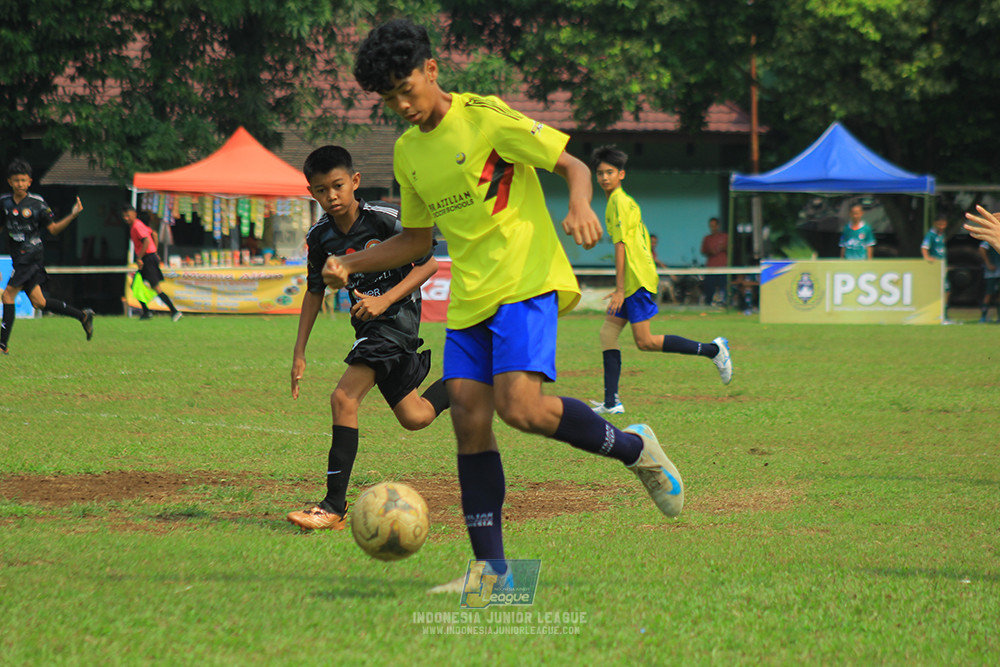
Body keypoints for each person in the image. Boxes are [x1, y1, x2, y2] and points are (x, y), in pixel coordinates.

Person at [331, 18, 685, 592]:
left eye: (406, 89)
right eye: (388, 98)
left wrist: (579, 205)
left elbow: (571, 165)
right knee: (469, 422)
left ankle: (634, 448)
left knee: (521, 409)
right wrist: (353, 263)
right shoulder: (408, 153)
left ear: (431, 70)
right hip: (470, 298)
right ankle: (493, 576)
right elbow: (416, 242)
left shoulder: (485, 117)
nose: (402, 105)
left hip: (525, 279)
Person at [287, 145, 450, 531]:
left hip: (397, 322)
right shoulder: (320, 236)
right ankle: (474, 379)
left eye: (338, 185)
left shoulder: (384, 219)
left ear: (355, 181)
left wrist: (385, 300)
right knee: (415, 416)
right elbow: (315, 291)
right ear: (311, 192)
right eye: (322, 190)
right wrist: (299, 352)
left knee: (343, 399)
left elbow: (429, 261)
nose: (332, 196)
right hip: (370, 328)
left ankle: (332, 506)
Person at [589, 145, 732, 415]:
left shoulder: (619, 202)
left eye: (610, 172)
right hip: (634, 277)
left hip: (636, 279)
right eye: (600, 173)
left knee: (646, 342)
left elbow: (621, 246)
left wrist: (620, 289)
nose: (604, 177)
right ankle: (611, 401)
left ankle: (713, 350)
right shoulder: (618, 201)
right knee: (607, 334)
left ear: (621, 174)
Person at [0, 159, 93, 354]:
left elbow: (53, 229)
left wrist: (72, 215)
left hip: (31, 256)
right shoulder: (4, 203)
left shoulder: (37, 203)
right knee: (39, 302)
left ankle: (2, 346)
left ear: (29, 182)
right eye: (16, 180)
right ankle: (83, 316)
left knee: (7, 295)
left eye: (23, 180)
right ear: (9, 181)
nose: (19, 184)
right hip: (18, 258)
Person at [123, 205, 182, 321]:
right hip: (148, 257)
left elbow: (146, 240)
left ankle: (174, 311)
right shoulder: (138, 225)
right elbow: (154, 234)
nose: (126, 218)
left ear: (134, 214)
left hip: (147, 259)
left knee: (156, 287)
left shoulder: (137, 226)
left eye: (128, 215)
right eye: (124, 216)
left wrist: (140, 258)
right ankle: (146, 311)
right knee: (134, 285)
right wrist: (155, 251)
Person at [920, 216, 952, 323]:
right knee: (940, 290)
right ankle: (937, 315)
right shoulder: (930, 235)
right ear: (935, 223)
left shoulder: (941, 235)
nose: (942, 226)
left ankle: (944, 314)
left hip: (942, 266)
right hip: (935, 268)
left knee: (947, 290)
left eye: (944, 224)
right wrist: (927, 258)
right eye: (940, 224)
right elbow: (924, 248)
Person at [700, 216, 728, 305]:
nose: (713, 228)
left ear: (718, 226)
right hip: (711, 267)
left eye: (714, 225)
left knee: (723, 286)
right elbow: (703, 251)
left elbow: (730, 248)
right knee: (709, 286)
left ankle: (724, 303)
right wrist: (710, 251)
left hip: (723, 267)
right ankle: (708, 303)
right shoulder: (707, 238)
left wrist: (722, 248)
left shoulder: (725, 237)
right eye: (711, 226)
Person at [648, 234, 676, 303]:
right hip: (647, 278)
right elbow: (657, 262)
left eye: (655, 242)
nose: (653, 244)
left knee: (667, 284)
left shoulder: (654, 252)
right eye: (652, 242)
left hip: (654, 277)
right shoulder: (646, 252)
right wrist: (670, 274)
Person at [979, 239, 1000, 324]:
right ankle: (983, 317)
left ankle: (999, 318)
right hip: (992, 273)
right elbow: (982, 248)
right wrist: (988, 264)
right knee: (989, 294)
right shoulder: (992, 238)